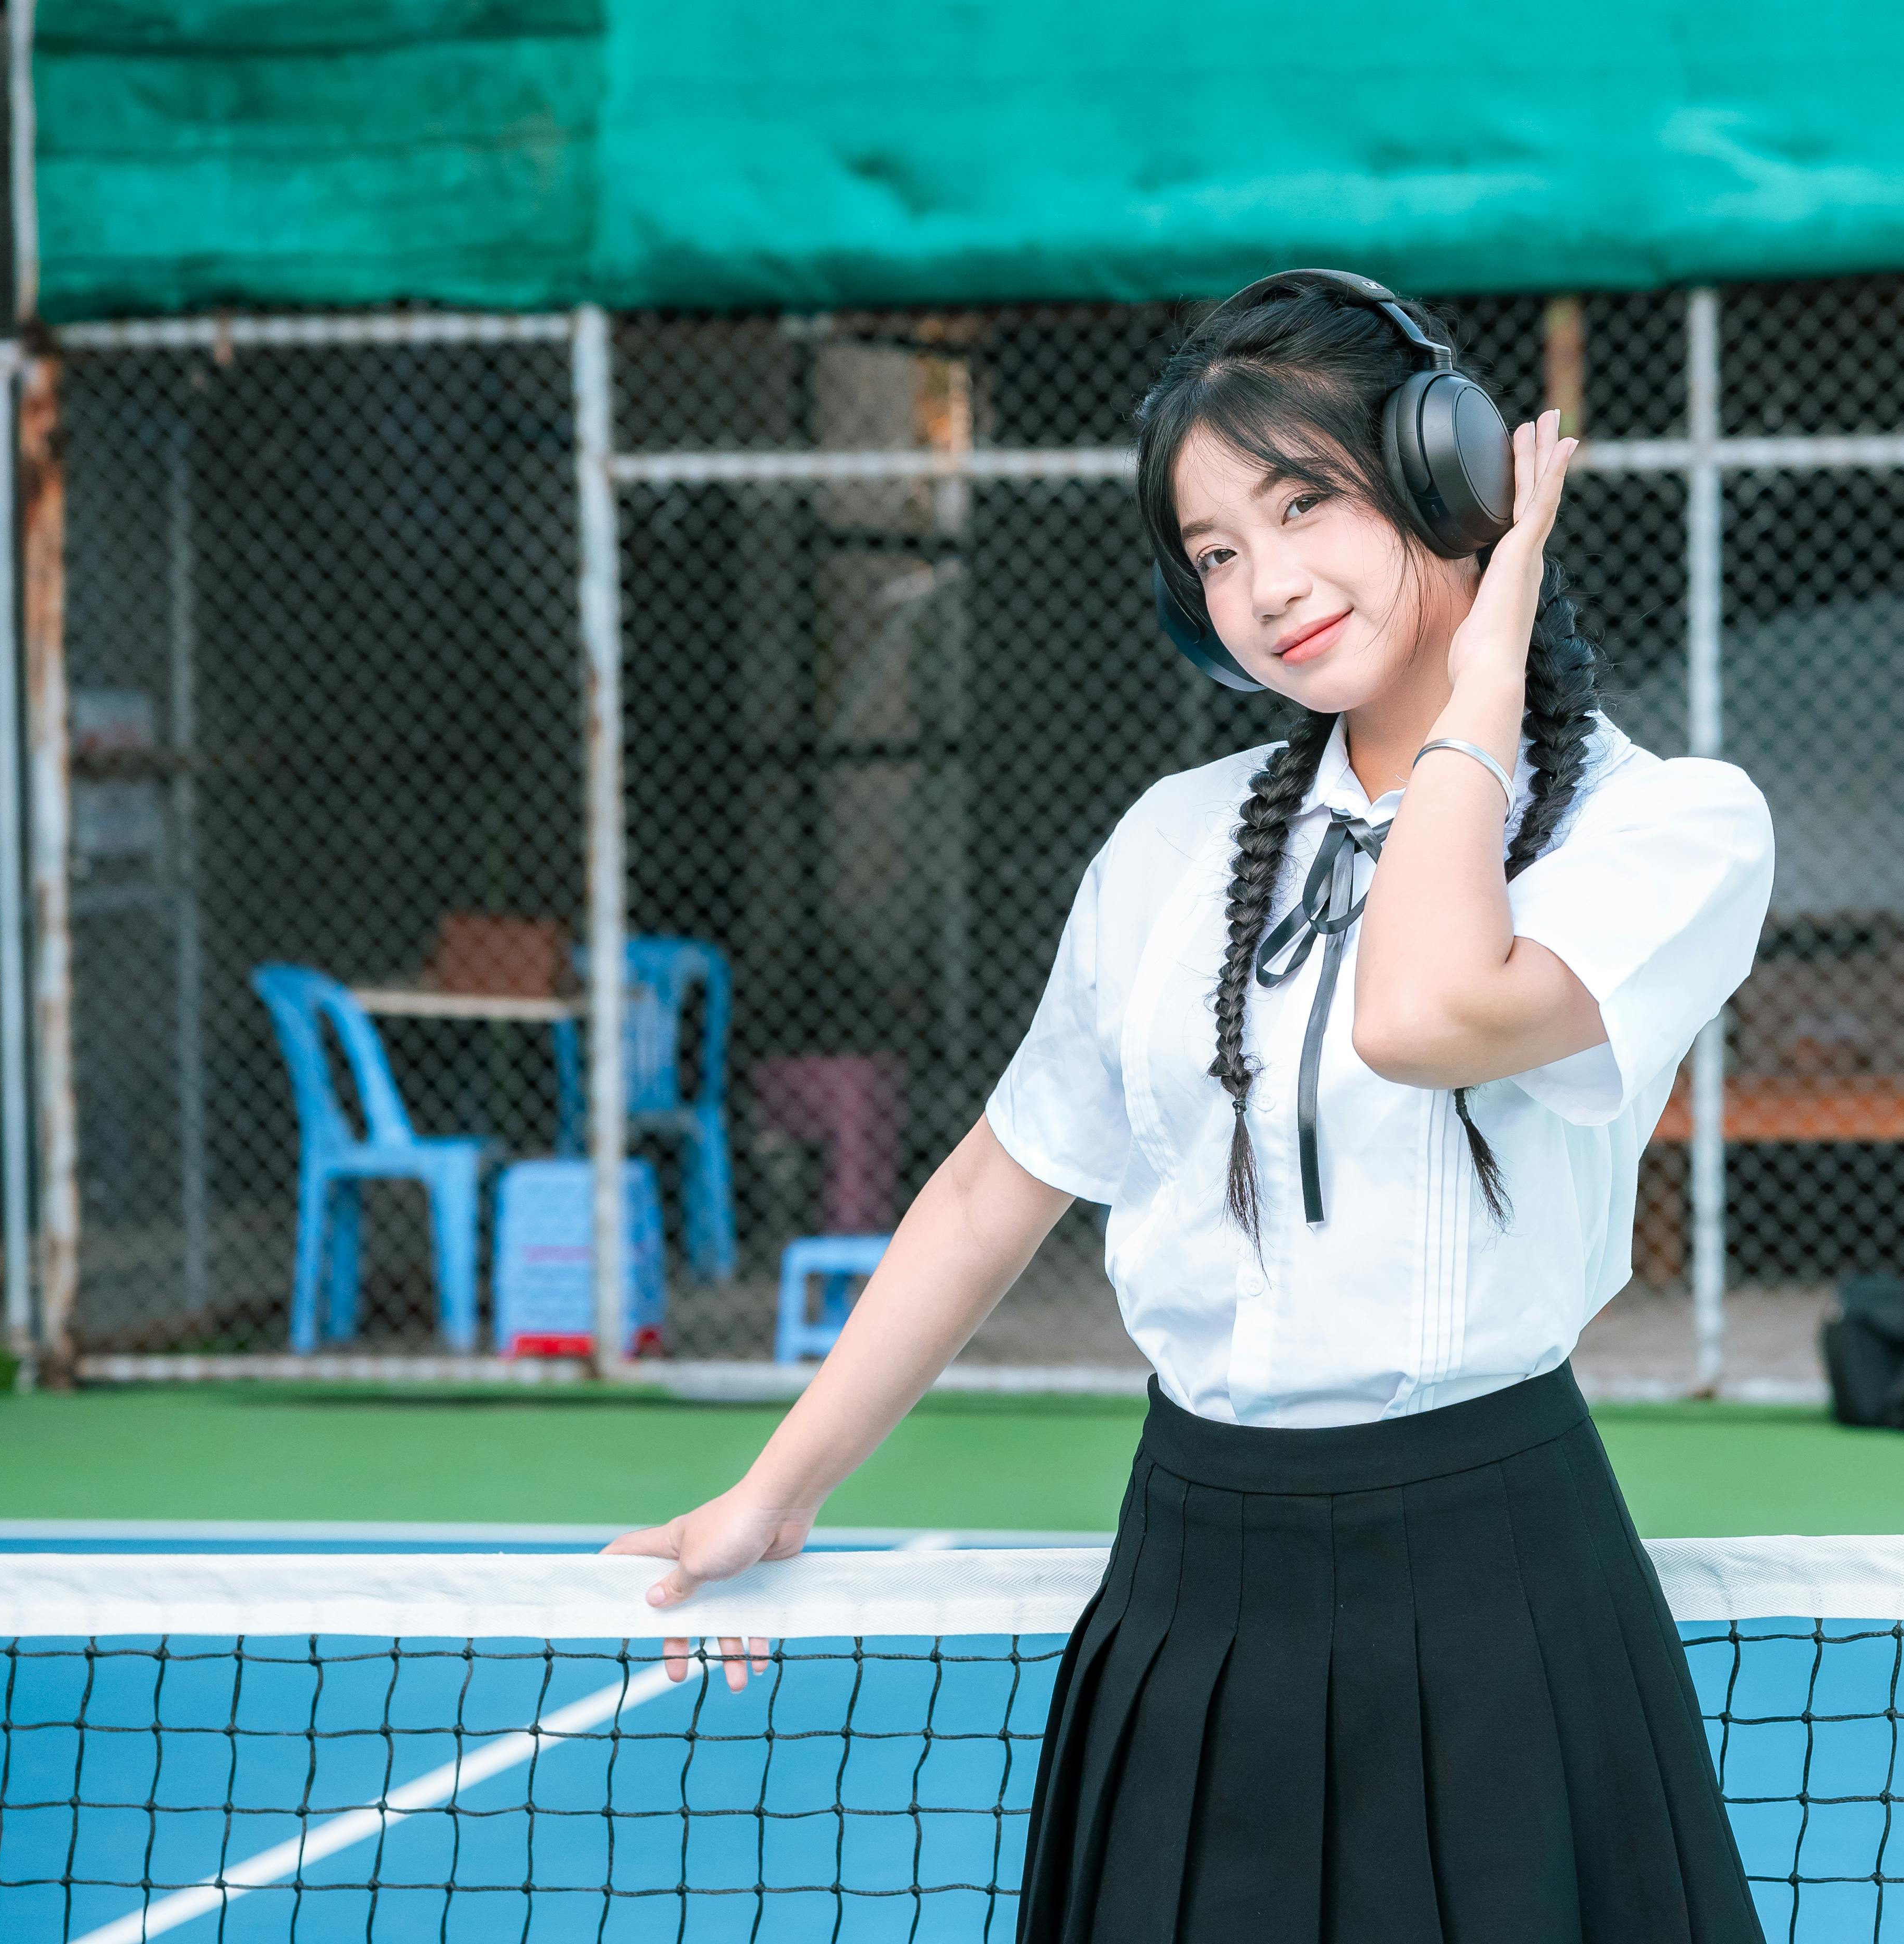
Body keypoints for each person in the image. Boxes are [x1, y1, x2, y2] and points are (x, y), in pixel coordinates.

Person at [609, 270, 1777, 1942]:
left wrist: (1489, 668)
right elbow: (993, 1187)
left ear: (1448, 480)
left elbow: (1430, 1011)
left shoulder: (1669, 829)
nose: (1264, 586)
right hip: (1193, 1579)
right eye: (1216, 551)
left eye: (1303, 504)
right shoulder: (1172, 838)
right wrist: (784, 1485)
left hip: (1493, 1576)